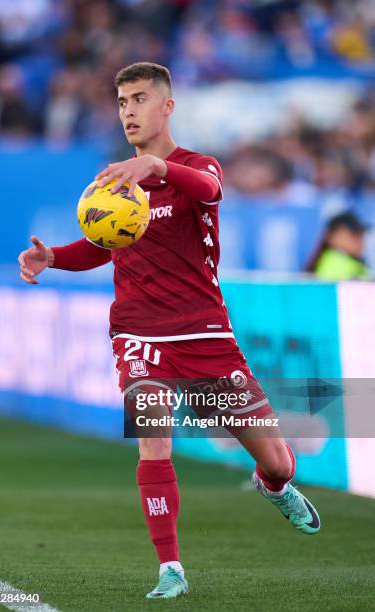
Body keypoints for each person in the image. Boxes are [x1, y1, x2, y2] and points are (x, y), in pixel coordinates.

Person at [18, 62, 320, 600]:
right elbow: (99, 246)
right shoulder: (113, 181)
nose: (129, 111)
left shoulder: (196, 167)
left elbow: (209, 190)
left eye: (138, 99)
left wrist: (156, 167)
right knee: (154, 444)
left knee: (274, 459)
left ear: (167, 105)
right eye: (122, 103)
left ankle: (274, 484)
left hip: (203, 335)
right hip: (138, 334)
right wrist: (53, 257)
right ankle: (170, 568)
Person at [307, 212, 371, 281]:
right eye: (354, 233)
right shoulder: (335, 264)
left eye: (361, 234)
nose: (360, 239)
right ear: (333, 236)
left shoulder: (352, 262)